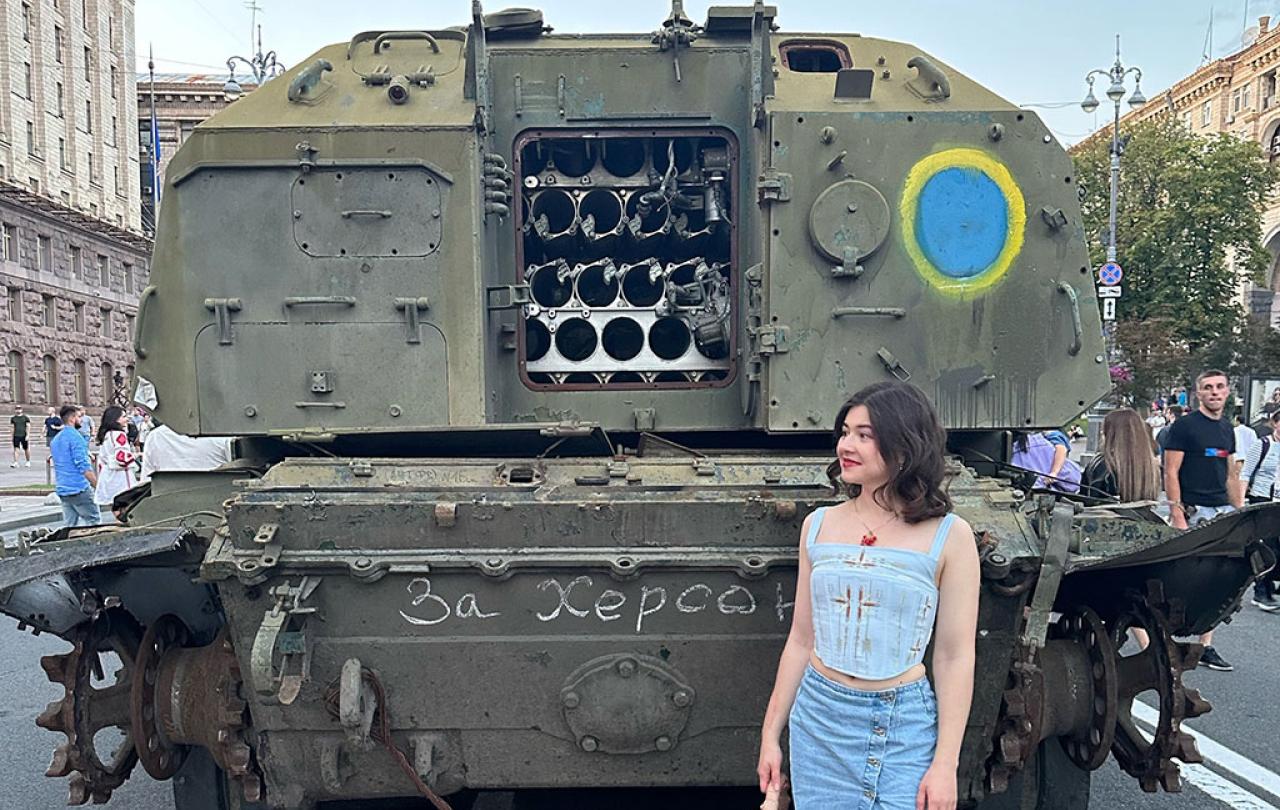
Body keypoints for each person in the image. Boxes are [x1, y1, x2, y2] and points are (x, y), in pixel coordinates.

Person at [758, 382, 979, 810]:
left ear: (905, 444)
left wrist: (945, 764)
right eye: (844, 431)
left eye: (865, 434)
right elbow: (802, 639)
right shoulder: (818, 526)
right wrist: (770, 735)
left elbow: (954, 656)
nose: (847, 444)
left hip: (902, 725)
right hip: (819, 720)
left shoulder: (950, 537)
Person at [1163, 369, 1242, 671]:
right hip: (1192, 511)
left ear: (1227, 391)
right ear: (1198, 393)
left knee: (1219, 580)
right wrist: (1176, 512)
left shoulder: (1227, 429)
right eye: (1208, 387)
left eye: (1219, 387)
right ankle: (1166, 638)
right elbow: (1170, 471)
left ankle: (1204, 645)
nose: (1214, 392)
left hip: (1221, 511)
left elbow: (1230, 473)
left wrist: (1239, 512)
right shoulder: (1184, 427)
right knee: (1182, 578)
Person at [1240, 409, 1280, 612]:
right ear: (1275, 423)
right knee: (1267, 548)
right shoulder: (1263, 445)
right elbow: (1245, 473)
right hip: (1263, 501)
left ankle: (1271, 584)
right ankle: (1261, 591)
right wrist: (1240, 505)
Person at [1082, 409, 1160, 502]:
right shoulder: (1151, 466)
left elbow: (1087, 500)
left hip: (1104, 514)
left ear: (1108, 434)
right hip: (1141, 515)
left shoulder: (1101, 464)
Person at [49, 404, 99, 527]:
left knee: (70, 526)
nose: (81, 420)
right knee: (93, 522)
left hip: (62, 488)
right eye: (79, 416)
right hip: (79, 487)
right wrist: (97, 485)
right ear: (72, 418)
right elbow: (83, 466)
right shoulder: (76, 438)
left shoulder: (56, 439)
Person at [94, 405, 138, 517]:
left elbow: (102, 458)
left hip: (108, 475)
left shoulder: (107, 435)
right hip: (121, 478)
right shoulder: (119, 435)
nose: (126, 419)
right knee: (127, 509)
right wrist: (135, 456)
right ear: (116, 419)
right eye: (123, 416)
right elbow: (122, 458)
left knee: (116, 510)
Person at [1011, 429, 1082, 493]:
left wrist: (1053, 473)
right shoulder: (1040, 440)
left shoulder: (1041, 439)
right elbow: (1061, 448)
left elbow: (1061, 448)